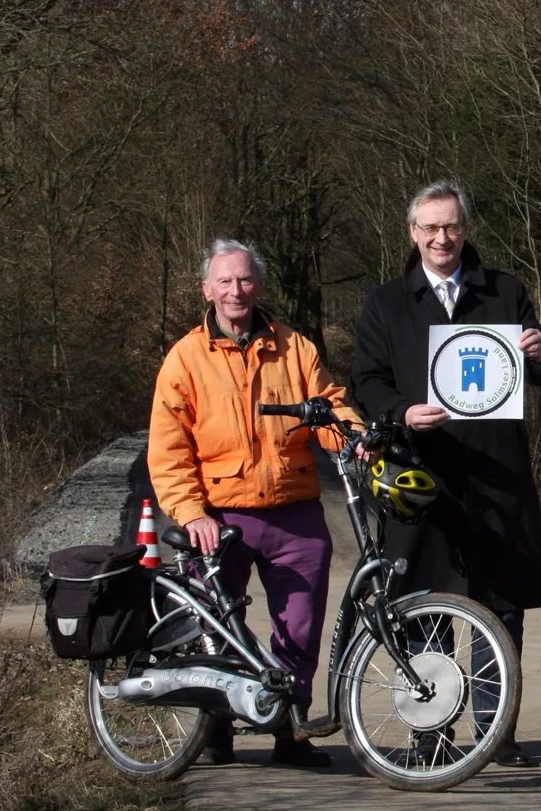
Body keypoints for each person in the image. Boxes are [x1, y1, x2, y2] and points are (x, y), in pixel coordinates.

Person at [351, 180, 541, 769]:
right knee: (426, 609)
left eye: (451, 226)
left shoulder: (506, 290)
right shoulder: (386, 303)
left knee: (501, 611)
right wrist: (400, 412)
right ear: (413, 233)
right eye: (430, 227)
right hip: (422, 479)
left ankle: (497, 734)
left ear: (466, 230)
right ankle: (431, 733)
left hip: (498, 475)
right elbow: (365, 381)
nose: (442, 237)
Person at [148, 239, 359, 769]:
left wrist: (355, 438)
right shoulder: (184, 359)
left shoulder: (295, 348)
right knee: (215, 632)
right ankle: (215, 730)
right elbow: (169, 450)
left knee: (299, 630)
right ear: (207, 289)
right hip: (218, 519)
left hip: (295, 515)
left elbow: (329, 407)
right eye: (224, 281)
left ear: (259, 285)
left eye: (244, 280)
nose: (235, 291)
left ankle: (290, 731)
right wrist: (191, 513)